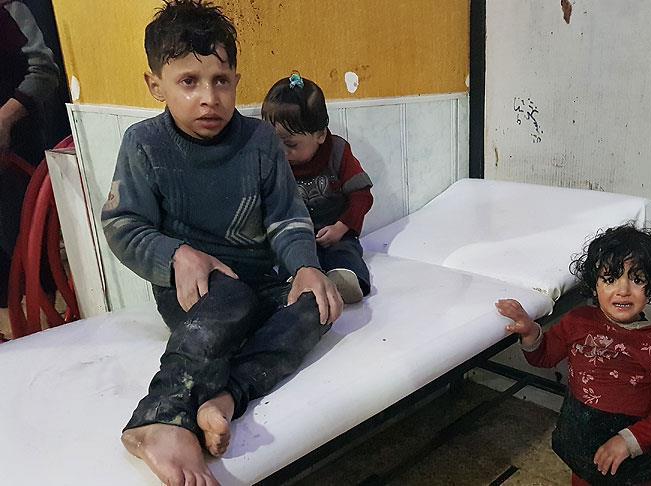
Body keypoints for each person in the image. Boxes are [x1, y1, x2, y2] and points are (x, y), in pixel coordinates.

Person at [100, 2, 342, 484]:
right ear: (155, 85)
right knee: (232, 298)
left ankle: (225, 398)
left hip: (261, 283)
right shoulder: (144, 143)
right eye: (189, 81)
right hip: (200, 295)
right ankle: (160, 416)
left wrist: (305, 267)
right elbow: (123, 223)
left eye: (221, 81)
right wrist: (175, 254)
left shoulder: (260, 141)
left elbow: (287, 216)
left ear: (236, 80)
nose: (209, 98)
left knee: (318, 306)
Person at [496, 224, 651, 486]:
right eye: (610, 279)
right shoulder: (578, 321)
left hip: (627, 459)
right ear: (594, 283)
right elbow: (544, 356)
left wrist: (629, 441)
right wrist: (530, 331)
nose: (623, 290)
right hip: (579, 441)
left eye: (637, 279)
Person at [261, 74, 373, 304]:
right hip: (294, 238)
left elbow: (361, 196)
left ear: (320, 134)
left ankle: (344, 284)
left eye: (290, 144)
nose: (282, 151)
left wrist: (342, 227)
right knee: (289, 261)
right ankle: (296, 286)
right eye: (274, 141)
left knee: (346, 254)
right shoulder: (274, 161)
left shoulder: (338, 151)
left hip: (336, 232)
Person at [0, 0, 61, 308]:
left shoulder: (9, 9)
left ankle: (44, 323)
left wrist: (4, 118)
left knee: (33, 256)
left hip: (15, 159)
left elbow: (44, 71)